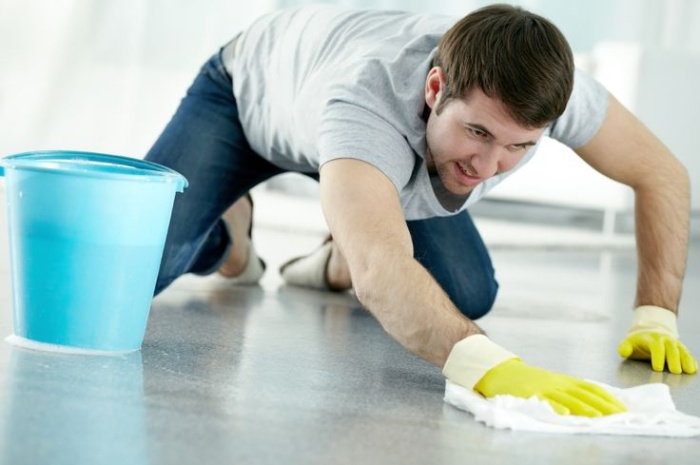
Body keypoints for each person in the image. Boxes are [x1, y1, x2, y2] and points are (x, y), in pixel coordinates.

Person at [145, 3, 697, 416]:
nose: (487, 164)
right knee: (146, 262)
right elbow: (383, 274)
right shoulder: (363, 103)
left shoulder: (550, 93)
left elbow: (662, 175)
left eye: (518, 146)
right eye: (477, 132)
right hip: (248, 98)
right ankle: (230, 240)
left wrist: (656, 315)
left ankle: (342, 246)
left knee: (466, 293)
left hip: (358, 152)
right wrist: (495, 368)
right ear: (435, 88)